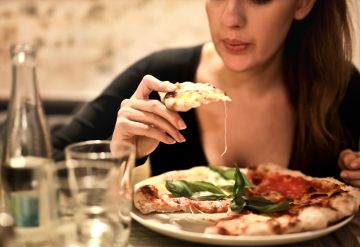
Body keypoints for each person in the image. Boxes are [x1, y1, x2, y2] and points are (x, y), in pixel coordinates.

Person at [52, 0, 360, 186]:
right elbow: (39, 168)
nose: (231, 18)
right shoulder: (162, 78)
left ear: (302, 3)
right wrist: (117, 153)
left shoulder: (341, 85)